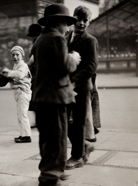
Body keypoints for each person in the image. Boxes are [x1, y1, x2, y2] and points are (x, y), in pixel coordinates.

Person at [31, 3, 81, 186]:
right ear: (58, 22)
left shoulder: (39, 40)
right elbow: (64, 67)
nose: (67, 28)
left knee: (47, 140)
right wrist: (73, 59)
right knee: (57, 140)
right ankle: (51, 178)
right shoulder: (57, 39)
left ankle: (50, 172)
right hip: (55, 99)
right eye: (66, 23)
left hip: (42, 98)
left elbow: (37, 65)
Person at [65, 5, 100, 170]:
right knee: (63, 120)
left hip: (81, 87)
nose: (81, 23)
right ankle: (84, 146)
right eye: (78, 19)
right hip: (65, 87)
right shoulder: (66, 37)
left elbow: (91, 66)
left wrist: (74, 82)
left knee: (78, 122)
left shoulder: (90, 40)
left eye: (85, 20)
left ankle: (77, 156)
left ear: (89, 21)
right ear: (73, 20)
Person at [2, 46, 32, 143]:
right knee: (20, 115)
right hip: (20, 92)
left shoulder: (22, 65)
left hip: (23, 92)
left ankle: (26, 136)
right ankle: (23, 134)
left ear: (22, 55)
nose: (15, 57)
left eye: (17, 55)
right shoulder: (16, 65)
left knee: (22, 115)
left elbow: (20, 75)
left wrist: (9, 73)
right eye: (13, 55)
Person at [26, 24, 42, 128]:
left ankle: (39, 121)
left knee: (36, 99)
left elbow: (32, 60)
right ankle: (38, 121)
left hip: (38, 75)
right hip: (34, 74)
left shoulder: (39, 42)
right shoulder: (36, 42)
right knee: (33, 100)